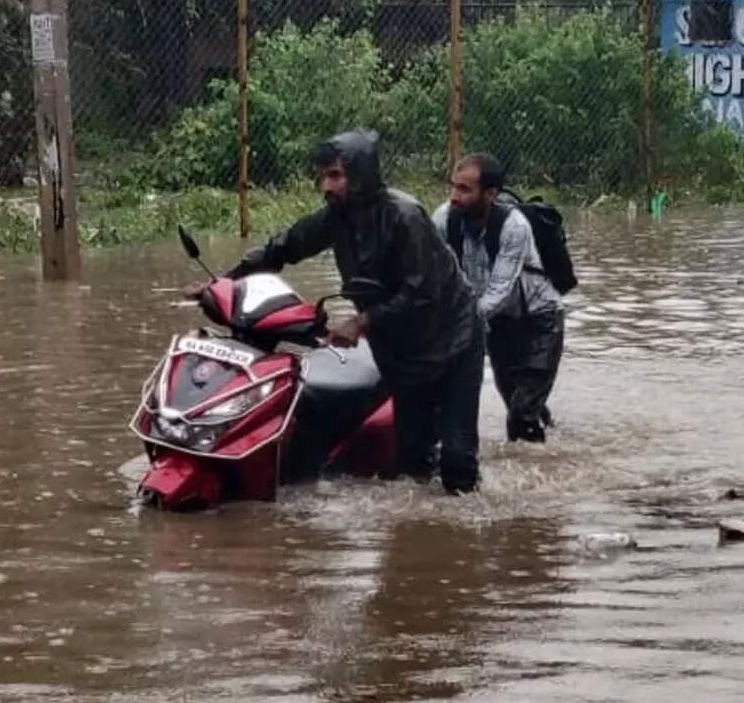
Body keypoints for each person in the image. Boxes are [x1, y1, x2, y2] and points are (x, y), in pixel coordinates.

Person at [183, 128, 486, 495]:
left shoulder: (404, 216)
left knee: (457, 460)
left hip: (454, 340)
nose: (326, 186)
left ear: (360, 176)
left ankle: (469, 522)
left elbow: (421, 292)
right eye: (323, 176)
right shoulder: (335, 216)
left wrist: (361, 322)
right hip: (400, 352)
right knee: (411, 463)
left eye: (336, 176)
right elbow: (284, 247)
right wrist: (223, 282)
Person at [432, 153, 566, 444]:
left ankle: (536, 469)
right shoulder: (443, 219)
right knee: (518, 403)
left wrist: (455, 323)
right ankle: (556, 446)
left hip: (540, 320)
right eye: (453, 186)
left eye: (464, 189)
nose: (454, 196)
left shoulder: (514, 227)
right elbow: (431, 275)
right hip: (498, 324)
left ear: (490, 194)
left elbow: (498, 293)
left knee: (521, 415)